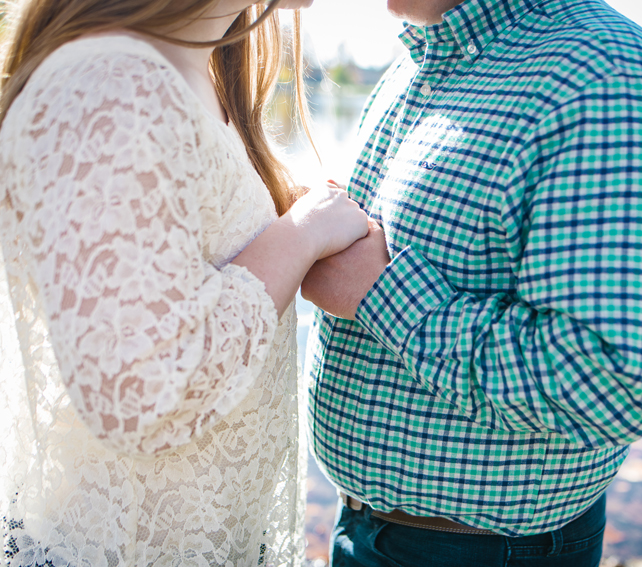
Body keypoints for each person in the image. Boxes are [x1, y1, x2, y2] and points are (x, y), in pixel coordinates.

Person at [300, 0, 642, 565]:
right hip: (367, 525)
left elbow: (610, 380)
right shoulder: (426, 57)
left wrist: (383, 297)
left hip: (481, 552)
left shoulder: (611, 81)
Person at [0, 0, 368, 565]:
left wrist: (275, 225)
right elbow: (138, 388)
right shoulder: (109, 81)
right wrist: (300, 236)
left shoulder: (194, 65)